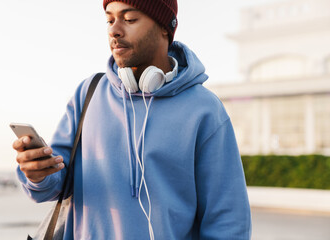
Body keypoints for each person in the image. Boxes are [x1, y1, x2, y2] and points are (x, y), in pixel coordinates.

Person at [13, 0, 252, 239]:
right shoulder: (88, 93)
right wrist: (38, 174)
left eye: (129, 19)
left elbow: (228, 222)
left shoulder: (205, 109)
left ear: (163, 27)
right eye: (109, 20)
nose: (114, 30)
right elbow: (53, 184)